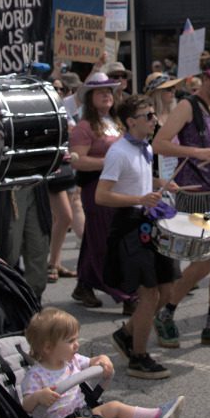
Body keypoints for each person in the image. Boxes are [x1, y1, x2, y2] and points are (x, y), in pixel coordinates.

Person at [151, 54, 210, 348]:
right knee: (202, 262)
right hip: (195, 196)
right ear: (205, 79)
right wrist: (196, 153)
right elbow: (159, 144)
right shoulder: (186, 106)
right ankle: (165, 314)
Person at [98, 95, 179, 380]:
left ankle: (126, 334)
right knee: (149, 295)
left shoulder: (144, 146)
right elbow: (102, 195)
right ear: (131, 121)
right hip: (130, 225)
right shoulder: (119, 152)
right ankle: (138, 357)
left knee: (167, 291)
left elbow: (136, 181)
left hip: (149, 220)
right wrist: (140, 198)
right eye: (148, 116)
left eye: (154, 115)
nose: (154, 120)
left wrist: (158, 185)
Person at [20, 308, 184, 418]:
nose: (77, 344)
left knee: (113, 406)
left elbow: (93, 361)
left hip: (84, 413)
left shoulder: (72, 361)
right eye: (70, 341)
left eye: (77, 339)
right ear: (48, 347)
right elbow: (26, 407)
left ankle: (156, 415)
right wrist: (38, 396)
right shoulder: (35, 375)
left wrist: (102, 359)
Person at [69, 72, 131, 310]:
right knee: (106, 239)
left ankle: (84, 284)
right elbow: (77, 161)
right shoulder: (84, 127)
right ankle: (125, 293)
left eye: (109, 91)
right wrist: (110, 162)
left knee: (96, 237)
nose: (107, 95)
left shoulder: (117, 123)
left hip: (119, 187)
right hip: (97, 189)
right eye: (100, 92)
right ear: (90, 97)